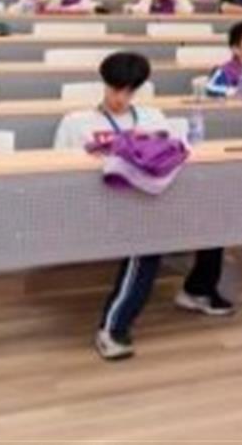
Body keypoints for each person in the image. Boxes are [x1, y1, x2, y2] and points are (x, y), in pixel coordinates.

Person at [54, 52, 231, 360]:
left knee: (213, 218)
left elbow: (173, 160)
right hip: (103, 206)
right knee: (147, 242)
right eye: (115, 89)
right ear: (104, 84)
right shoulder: (76, 122)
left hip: (152, 201)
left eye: (128, 91)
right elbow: (60, 174)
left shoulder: (153, 118)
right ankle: (112, 329)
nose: (120, 98)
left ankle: (197, 290)